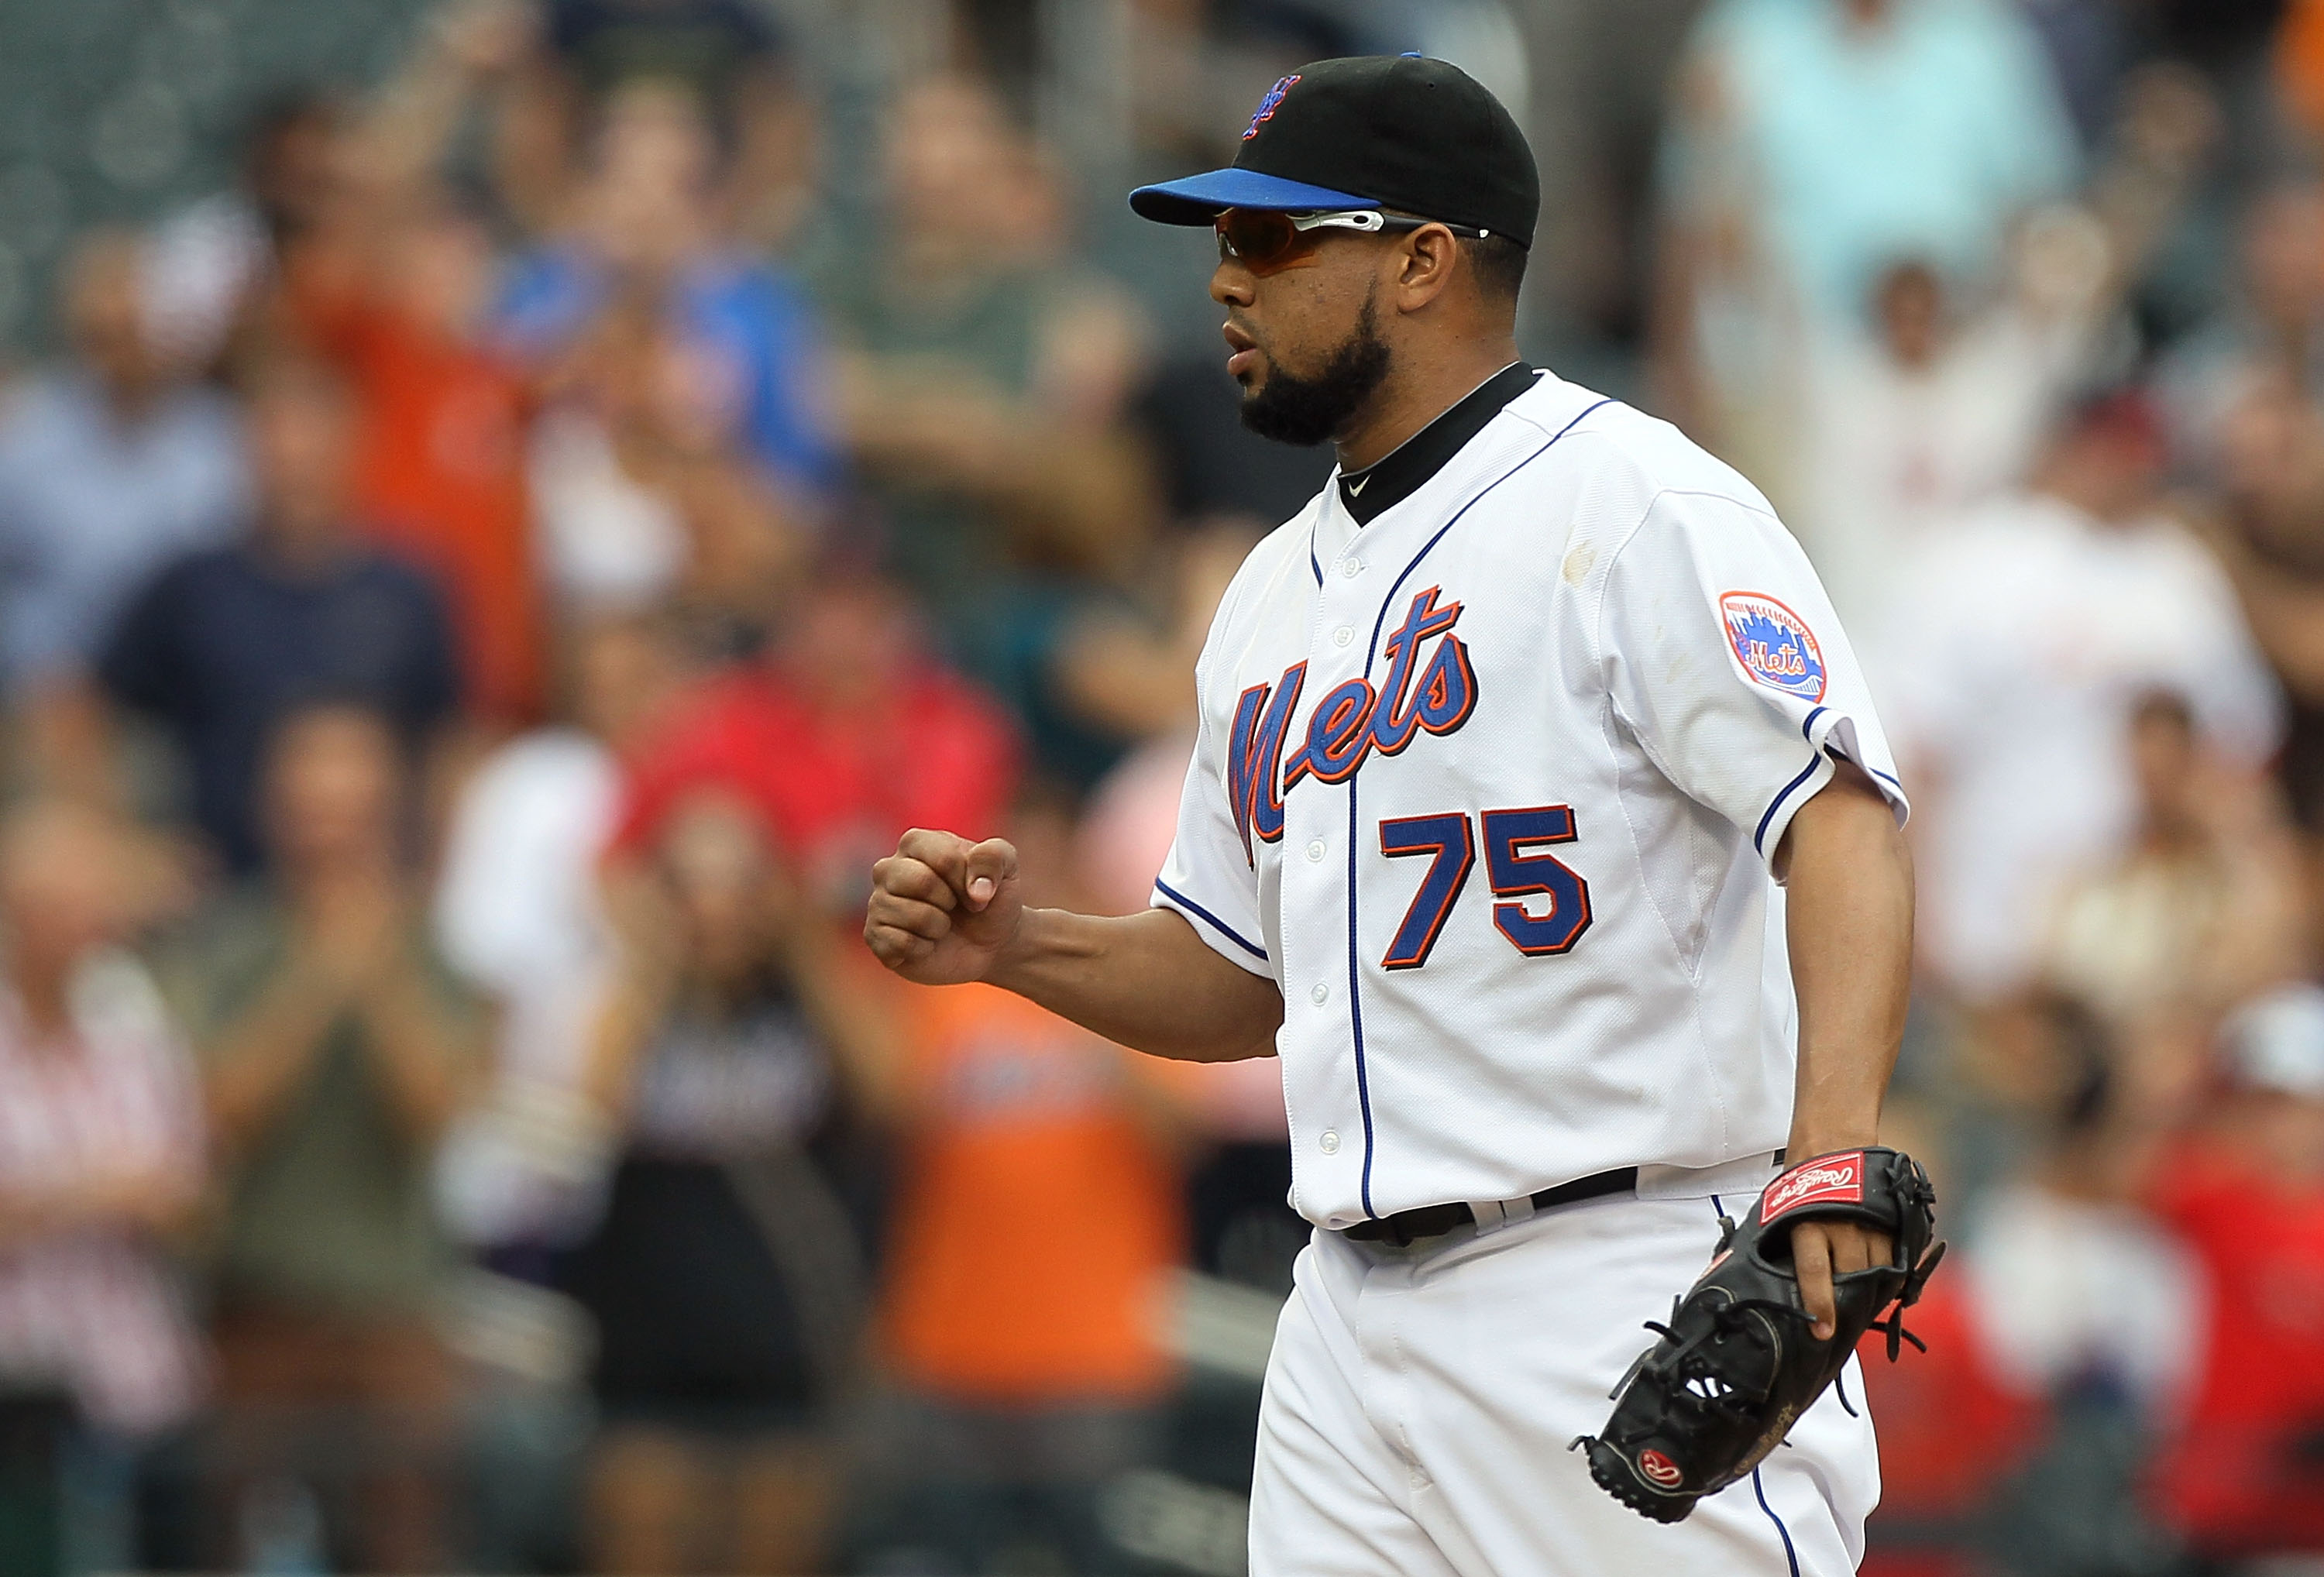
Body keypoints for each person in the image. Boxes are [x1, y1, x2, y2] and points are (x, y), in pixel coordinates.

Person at [868, 56, 1918, 1575]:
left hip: (1617, 1273)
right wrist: (1021, 947)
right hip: (1347, 1315)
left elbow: (1843, 817)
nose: (1228, 278)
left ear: (1424, 260)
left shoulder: (1633, 504)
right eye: (1226, 239)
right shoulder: (1267, 596)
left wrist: (1828, 1156)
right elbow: (1244, 979)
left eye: (1280, 238)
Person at [170, 700, 484, 1573]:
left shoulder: (428, 943)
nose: (333, 828)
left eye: (355, 805)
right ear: (275, 807)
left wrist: (376, 971)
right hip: (255, 1302)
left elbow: (434, 1110)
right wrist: (320, 971)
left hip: (397, 1304)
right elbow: (218, 1110)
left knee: (407, 1543)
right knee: (234, 1540)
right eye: (315, 802)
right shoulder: (228, 939)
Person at [857, 791, 1191, 1575]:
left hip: (1094, 1350)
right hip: (947, 1343)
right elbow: (881, 1106)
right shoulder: (939, 984)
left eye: (1045, 856)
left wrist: (1083, 999)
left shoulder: (1127, 983)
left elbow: (1180, 1133)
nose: (1026, 881)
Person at [562, 791, 880, 1577]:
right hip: (650, 1342)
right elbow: (593, 1104)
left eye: (739, 883)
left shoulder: (800, 1003)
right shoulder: (637, 1000)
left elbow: (892, 1090)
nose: (714, 908)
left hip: (784, 1336)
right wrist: (657, 959)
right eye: (690, 884)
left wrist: (804, 943)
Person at [1876, 391, 2280, 1005]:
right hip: (1991, 951)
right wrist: (1918, 934)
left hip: (2157, 955)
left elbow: (2238, 762)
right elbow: (1912, 763)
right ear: (2068, 444)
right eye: (2112, 446)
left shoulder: (2181, 571)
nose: (2127, 465)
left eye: (2143, 451)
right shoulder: (1970, 558)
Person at [94, 353, 464, 875]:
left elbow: (450, 741)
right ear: (247, 452)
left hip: (368, 897)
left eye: (314, 443)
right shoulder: (190, 589)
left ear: (352, 445)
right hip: (223, 894)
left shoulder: (409, 590)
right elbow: (92, 715)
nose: (296, 463)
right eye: (277, 443)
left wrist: (433, 865)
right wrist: (134, 844)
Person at [0, 801, 208, 1572]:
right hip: (15, 1389)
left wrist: (159, 1199)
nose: (89, 923)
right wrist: (88, 1192)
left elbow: (192, 1196)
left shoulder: (138, 1033)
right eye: (67, 903)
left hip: (134, 1384)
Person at [0, 232, 249, 736]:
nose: (120, 353)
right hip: (52, 705)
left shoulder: (222, 443)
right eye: (102, 335)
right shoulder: (25, 437)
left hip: (189, 703)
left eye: (133, 332)